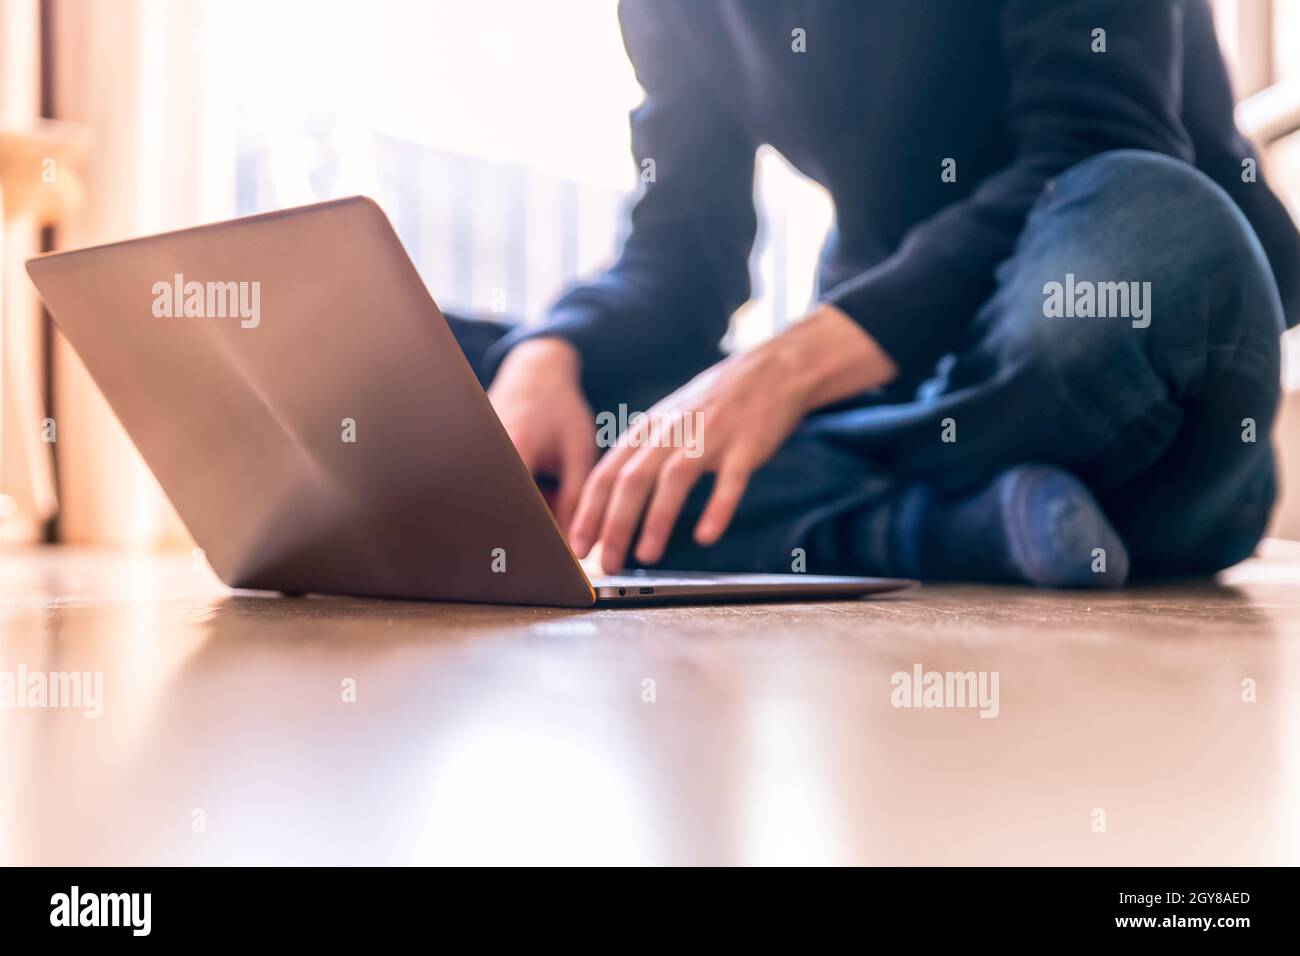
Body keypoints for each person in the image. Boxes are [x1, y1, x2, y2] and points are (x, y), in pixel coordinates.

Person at [451, 0, 1300, 588]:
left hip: (1133, 371)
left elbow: (1093, 143)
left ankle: (849, 512)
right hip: (906, 371)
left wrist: (781, 376)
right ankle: (956, 529)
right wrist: (543, 356)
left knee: (1155, 230)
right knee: (488, 377)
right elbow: (681, 259)